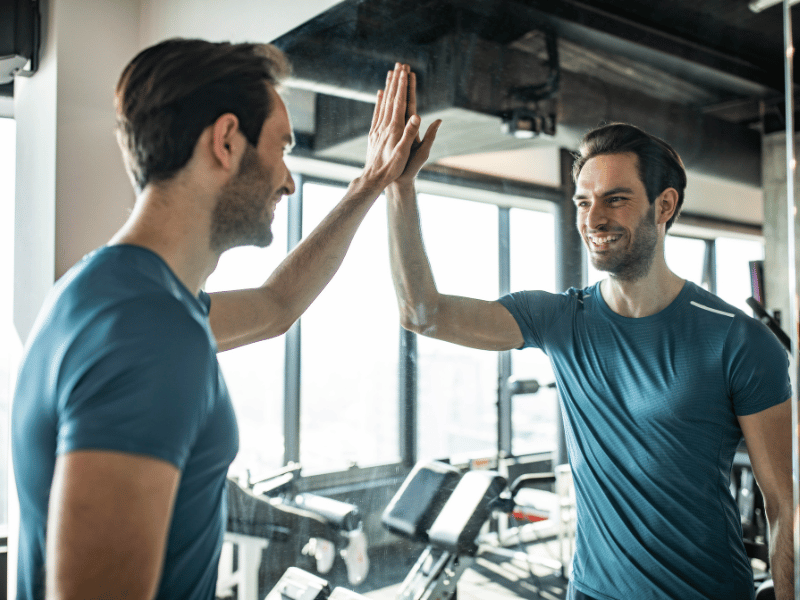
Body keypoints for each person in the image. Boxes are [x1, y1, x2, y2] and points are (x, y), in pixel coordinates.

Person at [11, 39, 421, 600]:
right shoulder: (147, 331)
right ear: (226, 141)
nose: (288, 180)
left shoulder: (114, 294)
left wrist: (370, 182)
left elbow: (277, 306)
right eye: (281, 148)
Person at [387, 67, 793, 600]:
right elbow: (424, 313)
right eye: (583, 201)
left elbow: (784, 505)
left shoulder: (738, 339)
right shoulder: (559, 319)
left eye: (616, 199)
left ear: (664, 206)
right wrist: (399, 185)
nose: (593, 218)